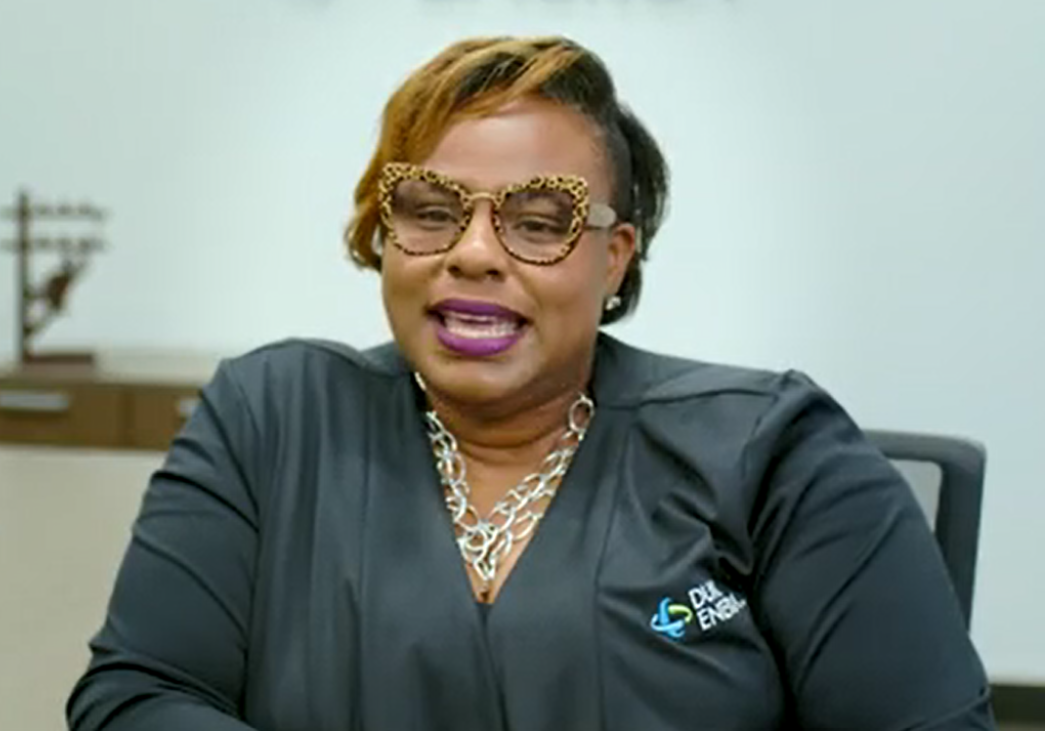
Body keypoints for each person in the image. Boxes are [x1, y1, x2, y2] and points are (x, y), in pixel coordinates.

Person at [67, 36, 994, 730]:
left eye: (539, 221)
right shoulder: (272, 420)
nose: (473, 253)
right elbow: (140, 694)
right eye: (430, 211)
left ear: (614, 259)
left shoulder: (776, 454)